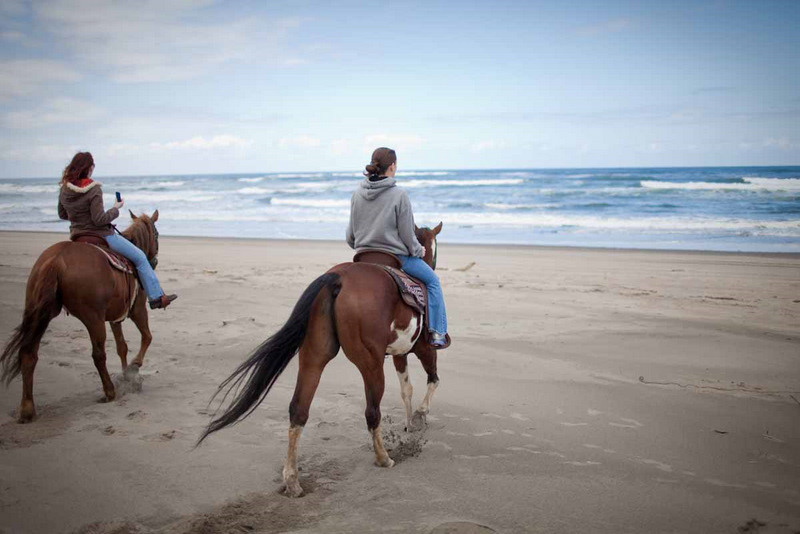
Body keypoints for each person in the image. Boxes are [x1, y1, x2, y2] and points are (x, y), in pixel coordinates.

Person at [347, 147, 448, 347]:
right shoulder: (399, 194)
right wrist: (420, 251)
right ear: (392, 167)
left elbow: (350, 237)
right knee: (433, 282)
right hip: (395, 258)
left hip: (363, 257)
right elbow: (407, 236)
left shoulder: (357, 194)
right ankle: (438, 333)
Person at [57, 152, 177, 309]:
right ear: (89, 168)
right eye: (92, 166)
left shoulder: (65, 189)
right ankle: (156, 298)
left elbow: (62, 214)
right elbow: (99, 220)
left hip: (77, 236)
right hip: (101, 235)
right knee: (140, 257)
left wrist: (80, 219)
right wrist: (116, 208)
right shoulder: (93, 189)